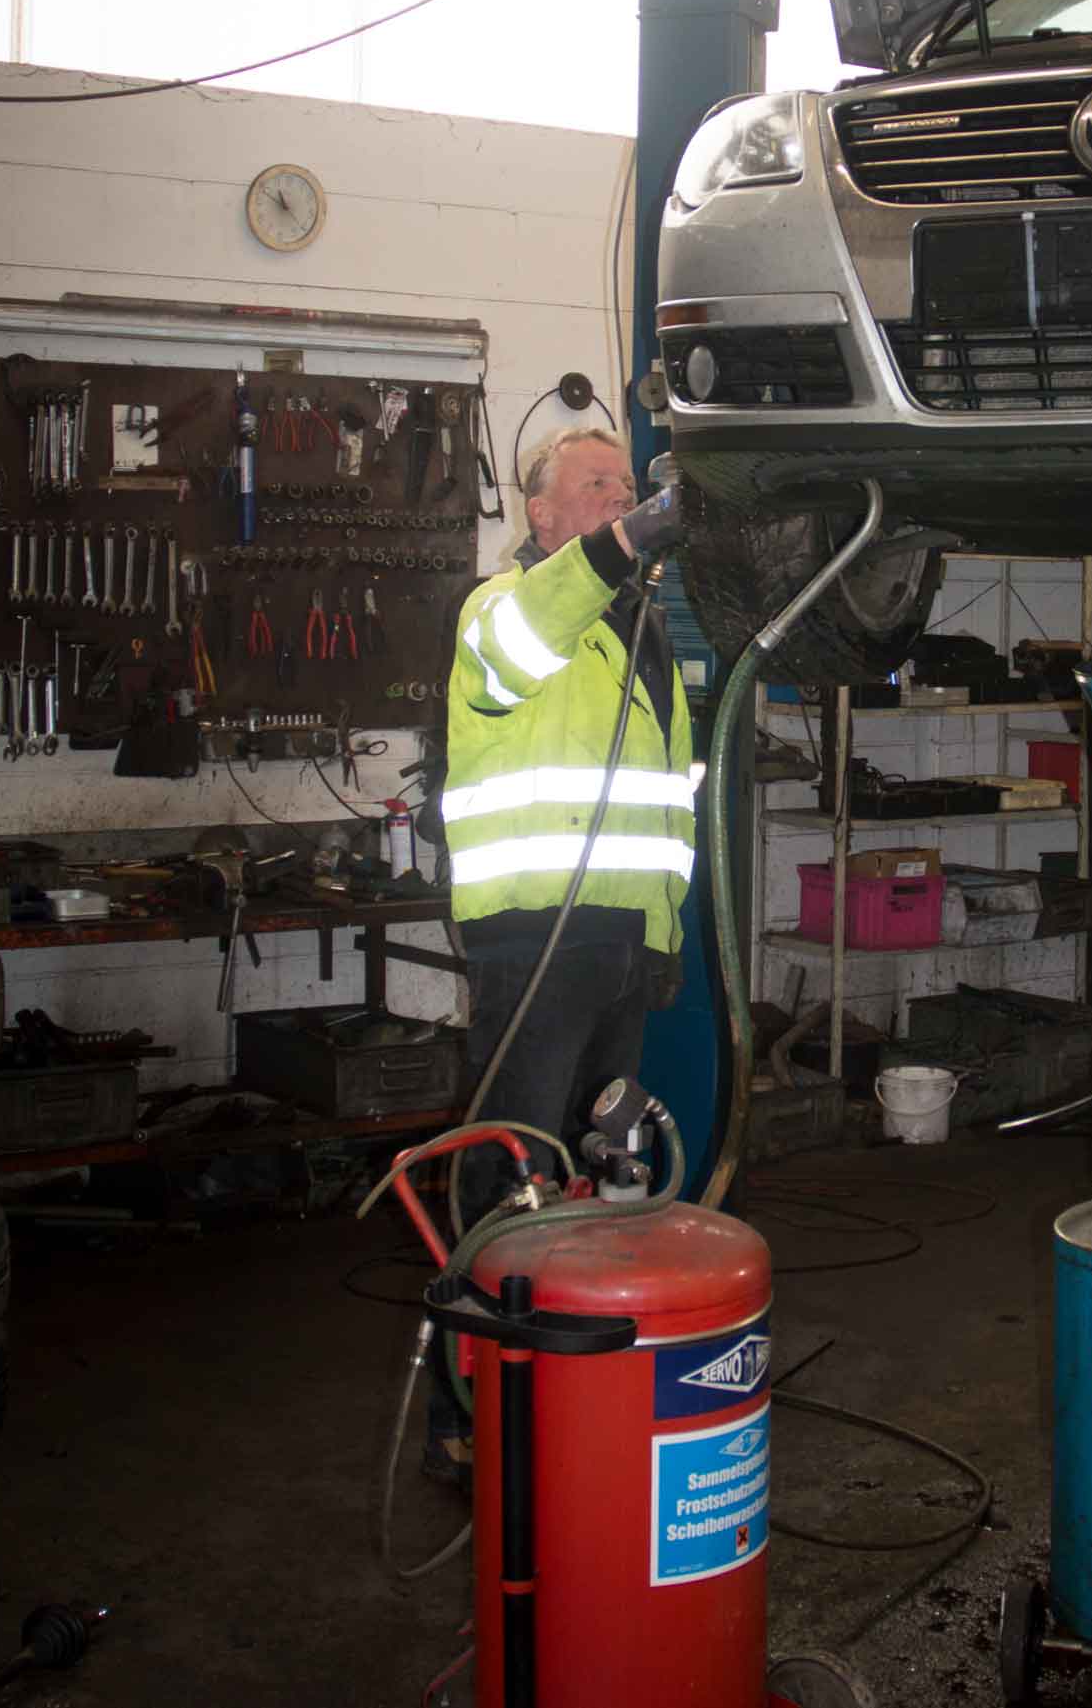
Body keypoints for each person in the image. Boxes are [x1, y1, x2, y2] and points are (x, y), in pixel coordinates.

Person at [425, 427, 689, 1483]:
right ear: (539, 515)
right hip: (535, 938)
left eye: (629, 483)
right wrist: (629, 541)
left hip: (618, 943)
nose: (621, 495)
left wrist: (662, 934)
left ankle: (570, 1397)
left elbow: (664, 803)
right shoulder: (500, 612)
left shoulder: (641, 629)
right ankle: (468, 1412)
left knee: (602, 1170)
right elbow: (529, 635)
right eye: (597, 483)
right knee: (513, 1175)